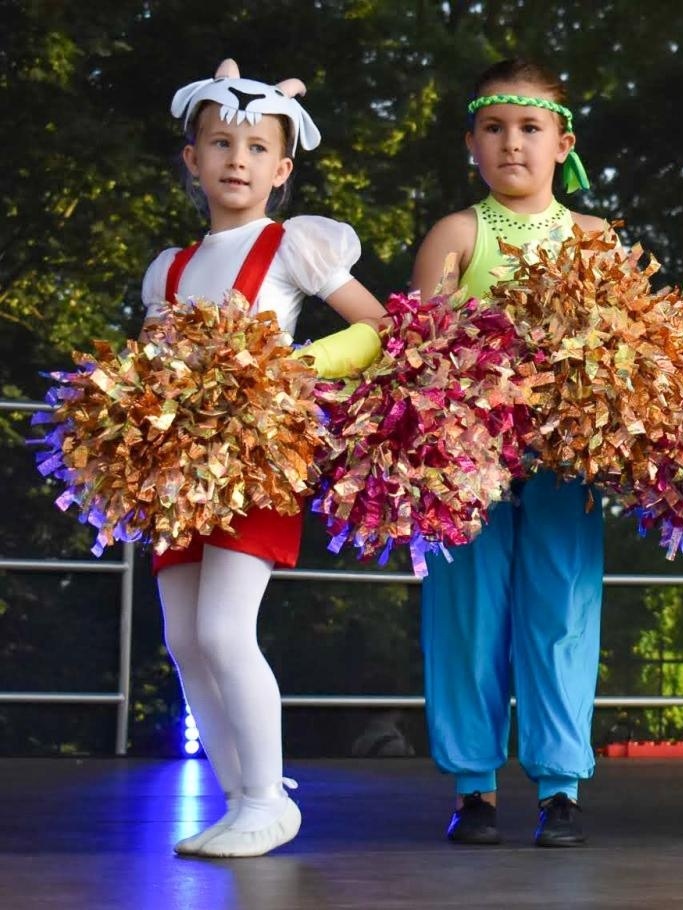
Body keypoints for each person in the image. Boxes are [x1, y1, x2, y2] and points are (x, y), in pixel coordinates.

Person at [153, 59, 386, 857]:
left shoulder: (292, 245)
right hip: (179, 469)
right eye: (221, 143)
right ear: (193, 159)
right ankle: (237, 801)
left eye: (256, 148)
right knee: (185, 641)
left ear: (282, 170)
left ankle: (267, 799)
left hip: (257, 458)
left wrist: (299, 368)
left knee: (224, 629)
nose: (237, 160)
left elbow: (376, 328)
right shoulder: (170, 268)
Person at [410, 58, 610, 848]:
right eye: (494, 128)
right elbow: (417, 353)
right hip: (468, 469)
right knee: (467, 618)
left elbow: (628, 354)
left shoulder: (593, 238)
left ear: (564, 144)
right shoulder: (458, 234)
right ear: (471, 142)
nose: (512, 143)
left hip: (564, 466)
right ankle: (475, 789)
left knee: (564, 616)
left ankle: (561, 788)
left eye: (530, 127)